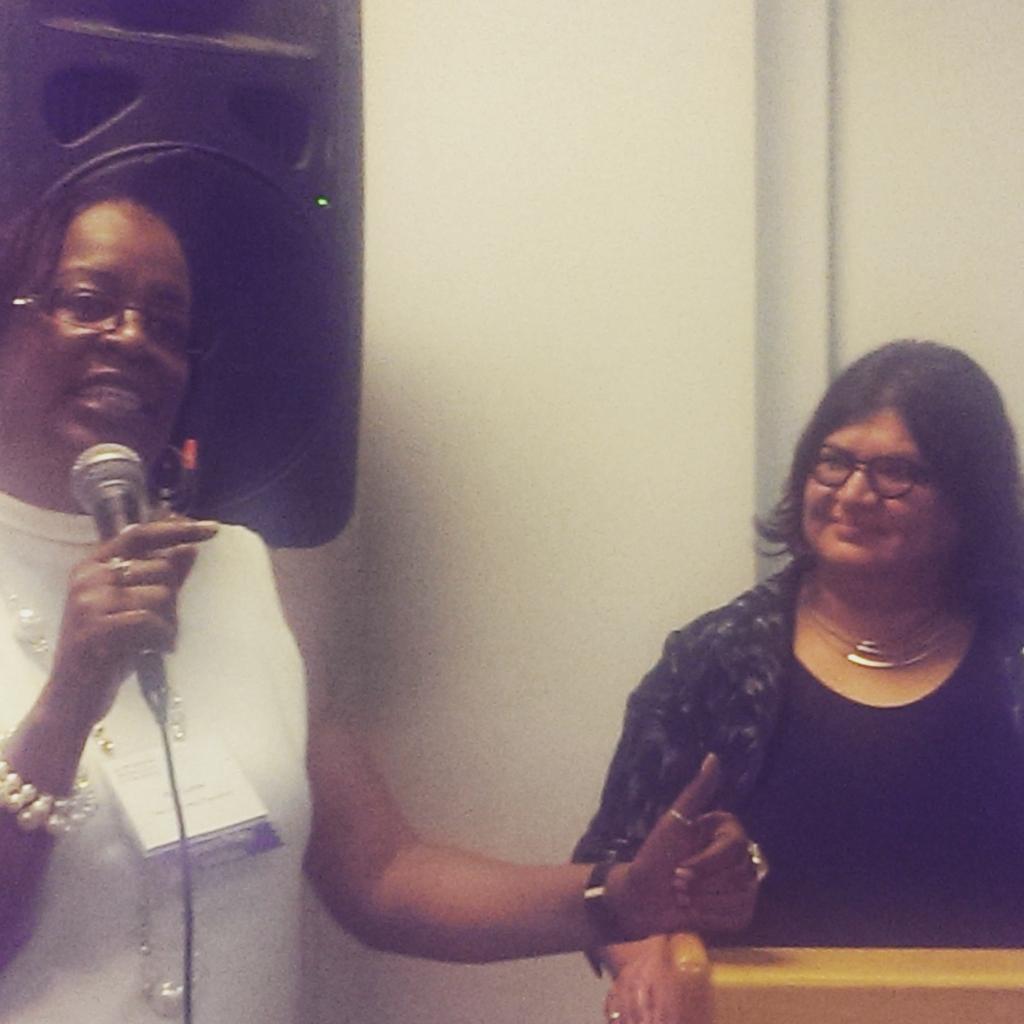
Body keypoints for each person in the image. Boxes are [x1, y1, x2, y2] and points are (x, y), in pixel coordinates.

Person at [0, 166, 758, 1023]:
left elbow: (384, 875)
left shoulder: (236, 573)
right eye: (88, 301)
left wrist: (619, 898)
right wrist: (68, 700)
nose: (132, 337)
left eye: (167, 323)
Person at [575, 340, 1024, 1023]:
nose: (854, 494)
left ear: (969, 498)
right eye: (834, 461)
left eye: (897, 472)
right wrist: (645, 966)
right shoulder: (715, 659)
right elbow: (610, 864)